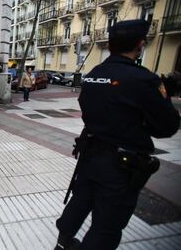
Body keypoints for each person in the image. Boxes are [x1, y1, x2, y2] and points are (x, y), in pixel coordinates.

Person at [54, 20, 180, 250]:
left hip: (89, 155)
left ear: (110, 45)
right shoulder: (145, 80)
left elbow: (96, 107)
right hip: (120, 167)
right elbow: (167, 127)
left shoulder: (93, 74)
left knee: (80, 201)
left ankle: (62, 243)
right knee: (107, 225)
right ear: (141, 44)